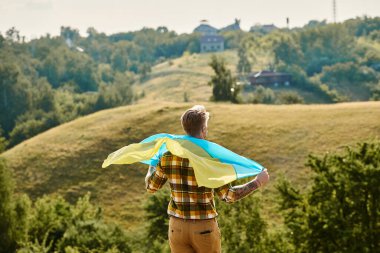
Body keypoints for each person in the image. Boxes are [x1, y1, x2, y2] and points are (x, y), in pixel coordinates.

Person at [145, 105, 269, 253]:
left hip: (176, 228)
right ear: (203, 129)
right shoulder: (209, 159)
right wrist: (257, 182)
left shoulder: (167, 156)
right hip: (203, 229)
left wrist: (152, 164)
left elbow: (151, 187)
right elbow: (229, 196)